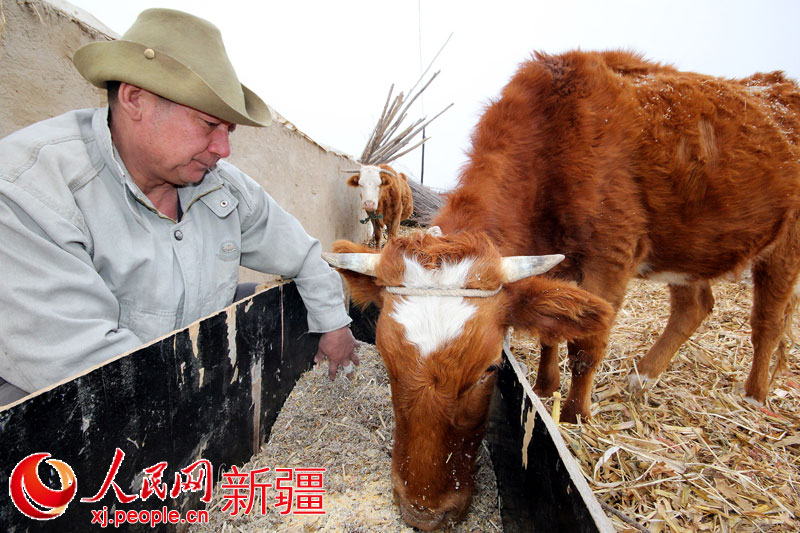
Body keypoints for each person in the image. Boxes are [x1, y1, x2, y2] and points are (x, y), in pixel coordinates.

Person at [0, 8, 358, 406]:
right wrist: (207, 406)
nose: (223, 149)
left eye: (228, 131)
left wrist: (335, 325)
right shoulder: (29, 190)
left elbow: (304, 254)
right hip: (70, 411)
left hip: (177, 382)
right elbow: (88, 367)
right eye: (208, 125)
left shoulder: (220, 187)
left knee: (264, 299)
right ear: (135, 99)